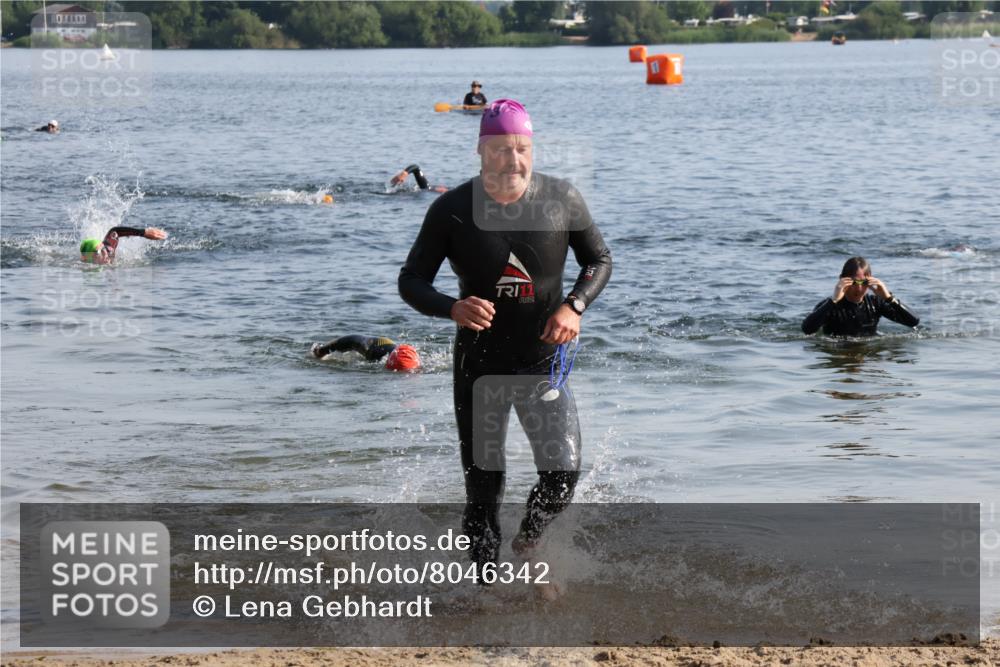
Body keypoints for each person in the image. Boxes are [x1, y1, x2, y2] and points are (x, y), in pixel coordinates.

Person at [398, 99, 612, 582]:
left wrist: (573, 306)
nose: (512, 160)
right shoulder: (452, 211)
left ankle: (531, 536)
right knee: (484, 490)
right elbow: (411, 280)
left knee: (562, 477)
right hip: (480, 367)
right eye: (500, 149)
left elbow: (599, 259)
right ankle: (486, 593)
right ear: (480, 151)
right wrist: (451, 307)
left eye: (521, 149)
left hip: (543, 363)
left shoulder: (562, 199)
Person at [802, 256, 919, 336]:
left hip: (867, 354)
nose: (859, 288)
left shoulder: (876, 303)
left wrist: (889, 298)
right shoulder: (829, 306)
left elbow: (913, 322)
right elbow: (807, 330)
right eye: (854, 282)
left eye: (864, 283)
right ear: (843, 280)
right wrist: (833, 301)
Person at [310, 335, 421, 372]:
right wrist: (322, 351)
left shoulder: (416, 364)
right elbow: (352, 339)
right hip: (381, 345)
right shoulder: (374, 351)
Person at [79, 226, 167, 264]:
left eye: (103, 250)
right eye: (99, 252)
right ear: (87, 258)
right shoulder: (85, 263)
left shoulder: (109, 250)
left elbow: (115, 231)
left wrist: (143, 232)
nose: (105, 254)